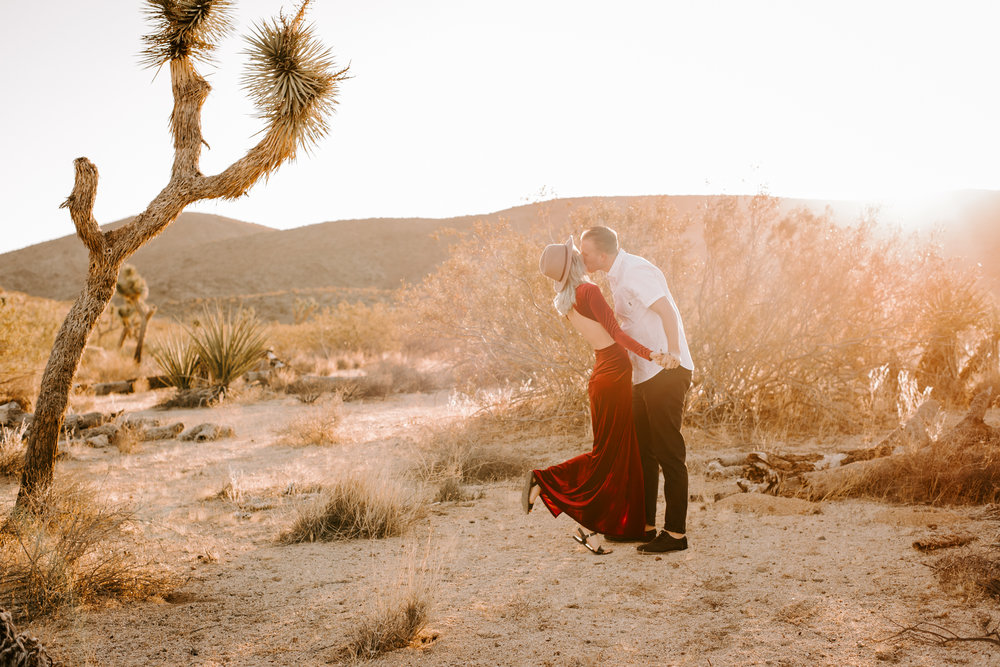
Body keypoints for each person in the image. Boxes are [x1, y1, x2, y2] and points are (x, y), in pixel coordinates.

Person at [523, 237, 673, 555]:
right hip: (615, 374)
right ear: (576, 263)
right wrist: (653, 354)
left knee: (616, 454)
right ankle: (544, 480)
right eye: (579, 254)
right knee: (609, 454)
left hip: (602, 375)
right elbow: (617, 334)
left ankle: (623, 525)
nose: (583, 255)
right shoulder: (588, 291)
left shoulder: (567, 300)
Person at [579, 225, 693, 554]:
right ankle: (645, 527)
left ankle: (675, 534)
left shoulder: (635, 271)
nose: (581, 258)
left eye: (585, 254)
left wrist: (672, 351)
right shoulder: (615, 277)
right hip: (644, 375)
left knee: (669, 452)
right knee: (644, 453)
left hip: (666, 370)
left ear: (602, 253)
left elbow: (667, 311)